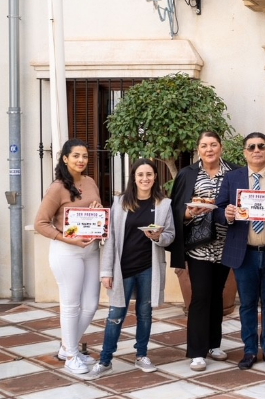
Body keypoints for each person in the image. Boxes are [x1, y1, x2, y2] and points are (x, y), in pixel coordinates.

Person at [87, 159, 176, 378]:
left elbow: (170, 235)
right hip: (122, 268)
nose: (145, 178)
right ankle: (105, 359)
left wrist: (158, 237)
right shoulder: (119, 203)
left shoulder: (164, 204)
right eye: (140, 174)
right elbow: (110, 238)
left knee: (145, 314)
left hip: (148, 268)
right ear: (134, 178)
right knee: (115, 314)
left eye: (149, 174)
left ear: (155, 177)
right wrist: (106, 271)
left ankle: (142, 355)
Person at [216, 132, 265, 370]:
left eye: (261, 146)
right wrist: (226, 214)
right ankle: (249, 350)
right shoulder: (232, 178)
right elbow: (218, 210)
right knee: (248, 304)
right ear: (245, 152)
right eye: (252, 147)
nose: (257, 150)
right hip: (244, 252)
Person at [169, 131, 238, 372]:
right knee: (200, 295)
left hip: (226, 243)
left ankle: (213, 343)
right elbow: (175, 207)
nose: (209, 149)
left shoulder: (234, 172)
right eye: (204, 145)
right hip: (198, 246)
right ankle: (197, 351)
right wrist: (188, 214)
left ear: (221, 147)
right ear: (198, 149)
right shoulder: (188, 174)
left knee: (217, 294)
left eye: (213, 145)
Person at [35, 139, 104, 374]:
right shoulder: (57, 187)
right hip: (67, 252)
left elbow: (97, 213)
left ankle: (68, 346)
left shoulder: (91, 182)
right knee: (71, 305)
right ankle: (72, 355)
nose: (81, 160)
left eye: (84, 156)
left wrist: (97, 212)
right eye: (75, 156)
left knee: (91, 304)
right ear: (65, 158)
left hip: (91, 249)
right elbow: (40, 223)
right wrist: (68, 239)